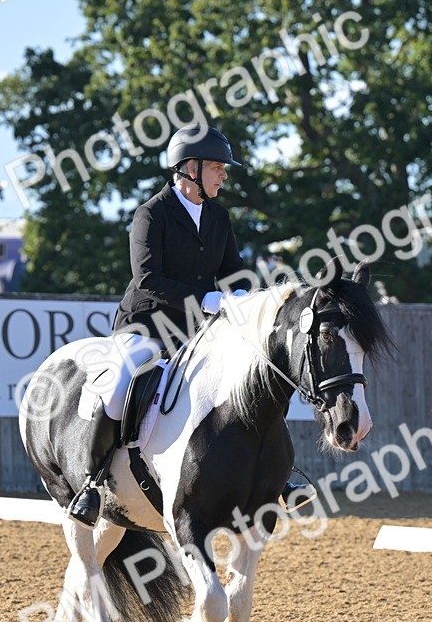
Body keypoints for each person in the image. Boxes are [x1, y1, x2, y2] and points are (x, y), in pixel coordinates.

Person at [67, 124, 292, 528]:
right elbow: (147, 278)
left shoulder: (219, 217)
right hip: (146, 324)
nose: (224, 174)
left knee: (256, 372)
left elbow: (234, 271)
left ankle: (280, 474)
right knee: (120, 384)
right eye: (218, 168)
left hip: (200, 329)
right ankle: (92, 481)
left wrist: (241, 296)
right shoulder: (151, 214)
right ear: (191, 167)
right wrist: (206, 299)